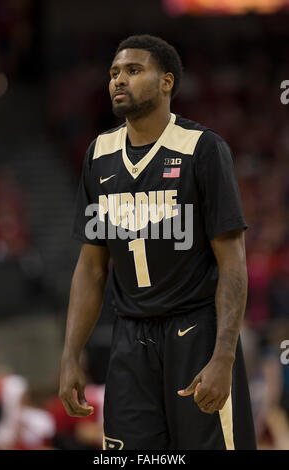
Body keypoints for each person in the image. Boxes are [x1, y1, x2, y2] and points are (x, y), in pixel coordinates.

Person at [59, 34, 256, 450]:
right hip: (130, 339)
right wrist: (71, 355)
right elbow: (92, 266)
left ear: (167, 82)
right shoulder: (99, 155)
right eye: (114, 73)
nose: (118, 80)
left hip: (196, 333)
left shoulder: (202, 148)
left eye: (133, 70)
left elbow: (233, 261)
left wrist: (224, 356)